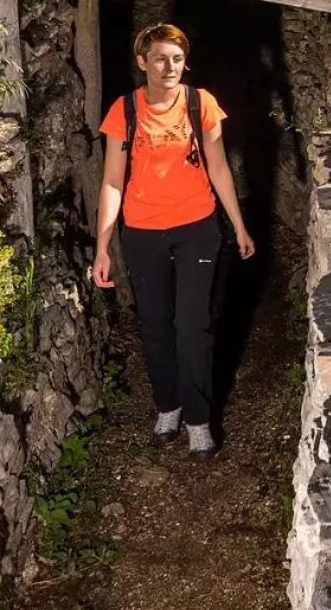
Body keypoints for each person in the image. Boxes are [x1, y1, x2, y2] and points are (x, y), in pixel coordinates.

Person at [91, 23, 256, 460]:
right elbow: (111, 181)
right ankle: (168, 405)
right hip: (142, 231)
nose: (170, 67)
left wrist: (238, 225)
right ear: (142, 61)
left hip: (197, 227)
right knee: (156, 326)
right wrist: (102, 246)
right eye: (161, 58)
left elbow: (219, 167)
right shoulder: (124, 111)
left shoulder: (201, 104)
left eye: (177, 59)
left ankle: (199, 420)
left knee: (192, 326)